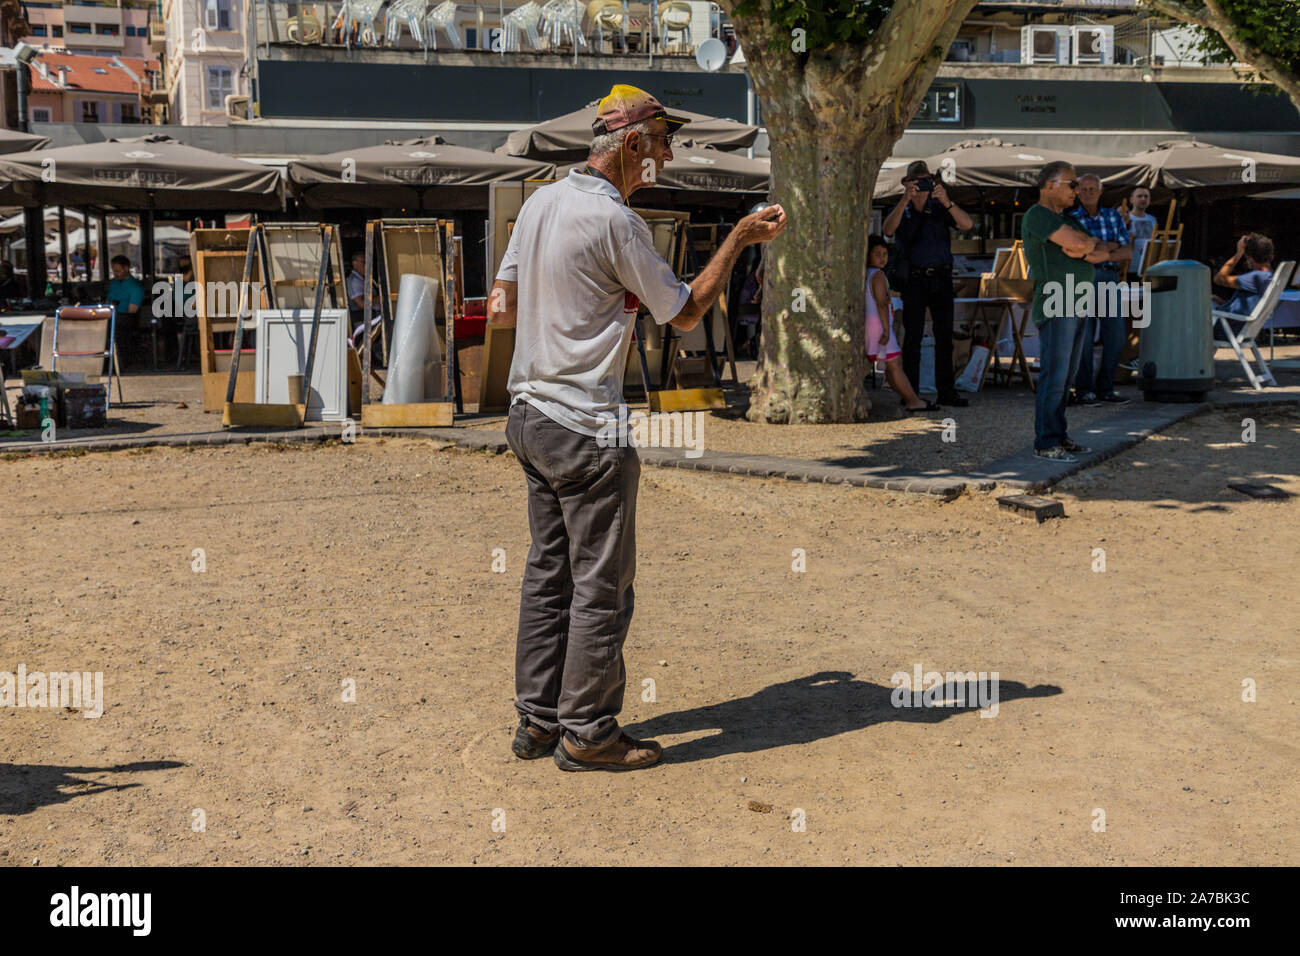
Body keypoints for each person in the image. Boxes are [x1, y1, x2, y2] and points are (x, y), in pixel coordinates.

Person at [489, 83, 786, 772]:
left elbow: (502, 302)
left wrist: (575, 302)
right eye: (662, 142)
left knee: (548, 574)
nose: (669, 154)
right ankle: (587, 732)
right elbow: (683, 313)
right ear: (631, 146)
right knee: (599, 584)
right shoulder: (618, 222)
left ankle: (537, 721)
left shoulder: (539, 203)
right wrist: (740, 237)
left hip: (529, 414)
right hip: (585, 424)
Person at [1022, 161, 1109, 462]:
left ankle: (1058, 435)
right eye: (1071, 184)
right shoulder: (1038, 215)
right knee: (1055, 374)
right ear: (1049, 185)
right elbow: (1083, 244)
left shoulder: (1071, 218)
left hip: (1078, 299)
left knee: (1067, 375)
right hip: (1057, 300)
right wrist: (1087, 246)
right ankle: (1045, 441)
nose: (1077, 191)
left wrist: (1087, 246)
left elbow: (1102, 251)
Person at [882, 160, 975, 408]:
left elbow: (967, 225)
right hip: (914, 279)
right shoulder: (902, 209)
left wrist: (946, 200)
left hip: (942, 277)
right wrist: (904, 200)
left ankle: (947, 391)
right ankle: (910, 394)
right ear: (907, 183)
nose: (922, 186)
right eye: (917, 181)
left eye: (926, 181)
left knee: (944, 337)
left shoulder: (940, 207)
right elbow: (888, 231)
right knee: (912, 337)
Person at [1067, 173, 1132, 407]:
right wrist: (1109, 246)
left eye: (1092, 189)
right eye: (1084, 189)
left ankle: (1106, 387)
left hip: (1108, 277)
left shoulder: (1113, 216)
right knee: (1084, 337)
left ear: (1101, 191)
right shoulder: (1070, 219)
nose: (1088, 193)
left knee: (1115, 336)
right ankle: (1084, 390)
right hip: (1082, 279)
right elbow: (1075, 253)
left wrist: (1097, 251)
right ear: (1077, 192)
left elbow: (1128, 252)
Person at [866, 235, 936, 413]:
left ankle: (909, 397)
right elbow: (881, 303)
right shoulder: (879, 276)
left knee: (891, 365)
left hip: (872, 325)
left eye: (884, 254)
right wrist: (887, 330)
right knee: (895, 364)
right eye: (877, 254)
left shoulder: (868, 274)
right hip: (880, 327)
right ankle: (913, 400)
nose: (882, 258)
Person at [1215, 233, 1276, 318]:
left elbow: (1219, 279)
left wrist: (1238, 253)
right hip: (1232, 319)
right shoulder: (1269, 275)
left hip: (1226, 324)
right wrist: (1223, 302)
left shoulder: (1256, 277)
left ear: (1250, 258)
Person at [346, 250, 381, 349]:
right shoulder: (354, 281)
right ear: (355, 264)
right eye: (364, 262)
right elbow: (362, 304)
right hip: (364, 320)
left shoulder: (365, 279)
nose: (367, 265)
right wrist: (381, 298)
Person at [736, 259, 762, 358]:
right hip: (751, 311)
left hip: (747, 311)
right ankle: (752, 344)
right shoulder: (756, 277)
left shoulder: (752, 277)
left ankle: (751, 344)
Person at [106, 255, 146, 321]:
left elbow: (131, 315)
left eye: (118, 271)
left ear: (126, 268)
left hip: (124, 321)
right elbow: (107, 303)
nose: (115, 274)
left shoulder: (136, 287)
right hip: (109, 317)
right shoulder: (114, 283)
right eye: (114, 271)